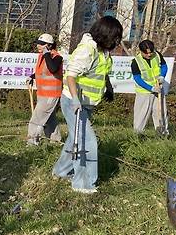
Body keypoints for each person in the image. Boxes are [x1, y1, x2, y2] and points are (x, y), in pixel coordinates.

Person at [52, 16, 123, 194]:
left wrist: (108, 88)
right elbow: (71, 75)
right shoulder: (87, 50)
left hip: (87, 104)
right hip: (73, 102)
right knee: (87, 141)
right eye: (115, 37)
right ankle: (83, 183)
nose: (116, 42)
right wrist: (75, 99)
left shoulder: (102, 52)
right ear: (105, 34)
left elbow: (102, 72)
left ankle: (60, 171)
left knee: (74, 139)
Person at [26, 33, 63, 145]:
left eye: (42, 44)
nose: (38, 46)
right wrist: (32, 77)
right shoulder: (42, 57)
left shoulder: (56, 57)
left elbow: (52, 69)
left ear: (49, 45)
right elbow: (42, 72)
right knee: (50, 120)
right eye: (38, 43)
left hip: (51, 95)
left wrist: (47, 53)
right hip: (42, 94)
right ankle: (56, 142)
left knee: (36, 120)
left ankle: (32, 143)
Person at [131, 40, 169, 134]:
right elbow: (137, 78)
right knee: (141, 115)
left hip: (159, 89)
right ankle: (137, 135)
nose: (149, 55)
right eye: (146, 53)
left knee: (161, 113)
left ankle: (163, 134)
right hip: (144, 92)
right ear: (141, 51)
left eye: (151, 52)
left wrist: (162, 76)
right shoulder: (136, 62)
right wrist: (150, 88)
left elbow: (164, 66)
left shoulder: (157, 55)